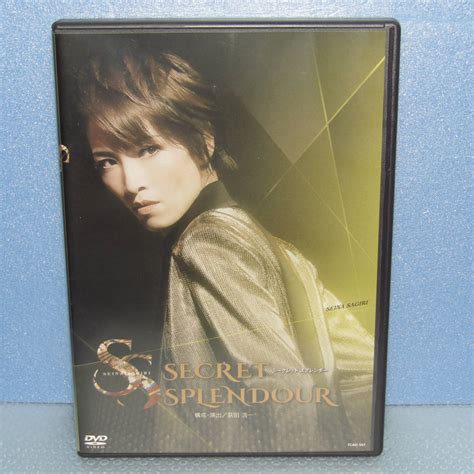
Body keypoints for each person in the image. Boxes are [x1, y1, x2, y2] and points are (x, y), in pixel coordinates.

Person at [77, 46, 374, 453]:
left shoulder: (203, 242)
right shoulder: (279, 249)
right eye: (107, 162)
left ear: (204, 139)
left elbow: (281, 390)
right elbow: (364, 373)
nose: (131, 183)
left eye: (148, 148)